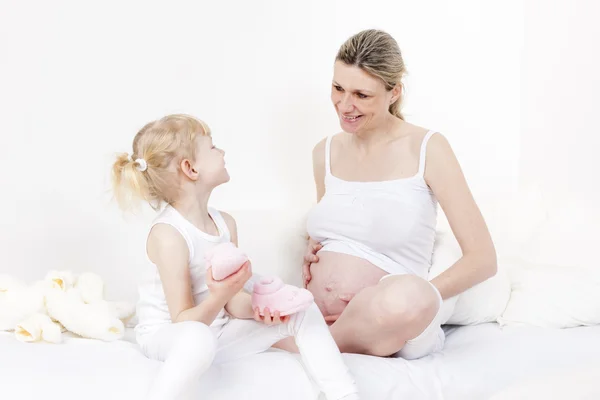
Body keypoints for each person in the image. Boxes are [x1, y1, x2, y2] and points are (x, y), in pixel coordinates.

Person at [111, 114, 360, 400]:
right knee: (197, 338)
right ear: (190, 168)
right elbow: (183, 321)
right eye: (213, 147)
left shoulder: (225, 223)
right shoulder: (169, 235)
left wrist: (261, 307)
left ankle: (344, 395)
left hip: (217, 332)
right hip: (171, 336)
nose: (223, 152)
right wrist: (222, 294)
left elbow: (233, 304)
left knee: (302, 309)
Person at [301, 29, 497, 359]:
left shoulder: (427, 148)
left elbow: (483, 259)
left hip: (394, 321)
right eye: (338, 88)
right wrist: (313, 245)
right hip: (321, 313)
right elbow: (340, 224)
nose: (345, 105)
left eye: (362, 95)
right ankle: (329, 338)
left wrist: (422, 300)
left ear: (394, 92)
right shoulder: (325, 151)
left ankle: (312, 344)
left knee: (404, 298)